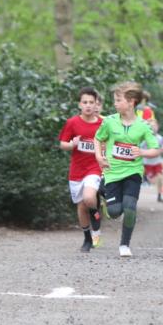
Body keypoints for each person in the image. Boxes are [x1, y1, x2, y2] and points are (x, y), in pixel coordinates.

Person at [94, 81, 161, 257]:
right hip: (112, 173)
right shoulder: (109, 121)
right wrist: (99, 157)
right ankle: (103, 189)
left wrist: (143, 151)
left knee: (130, 207)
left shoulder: (143, 125)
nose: (115, 104)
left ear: (131, 102)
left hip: (133, 172)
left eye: (118, 100)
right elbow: (98, 138)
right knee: (115, 212)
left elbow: (157, 149)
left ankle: (125, 244)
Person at [58, 87, 104, 252]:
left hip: (94, 168)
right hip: (77, 170)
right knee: (82, 206)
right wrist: (72, 144)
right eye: (85, 102)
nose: (88, 105)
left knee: (89, 198)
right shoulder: (72, 122)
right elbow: (62, 144)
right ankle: (87, 238)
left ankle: (96, 211)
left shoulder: (103, 123)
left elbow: (111, 141)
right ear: (80, 104)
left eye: (91, 102)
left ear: (95, 104)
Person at [141, 118, 163, 203]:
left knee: (160, 178)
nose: (153, 128)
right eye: (151, 126)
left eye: (154, 126)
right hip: (147, 163)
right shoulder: (144, 138)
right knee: (153, 181)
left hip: (157, 162)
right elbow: (141, 149)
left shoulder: (160, 138)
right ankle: (145, 178)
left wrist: (161, 150)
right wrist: (150, 152)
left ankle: (159, 195)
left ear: (158, 127)